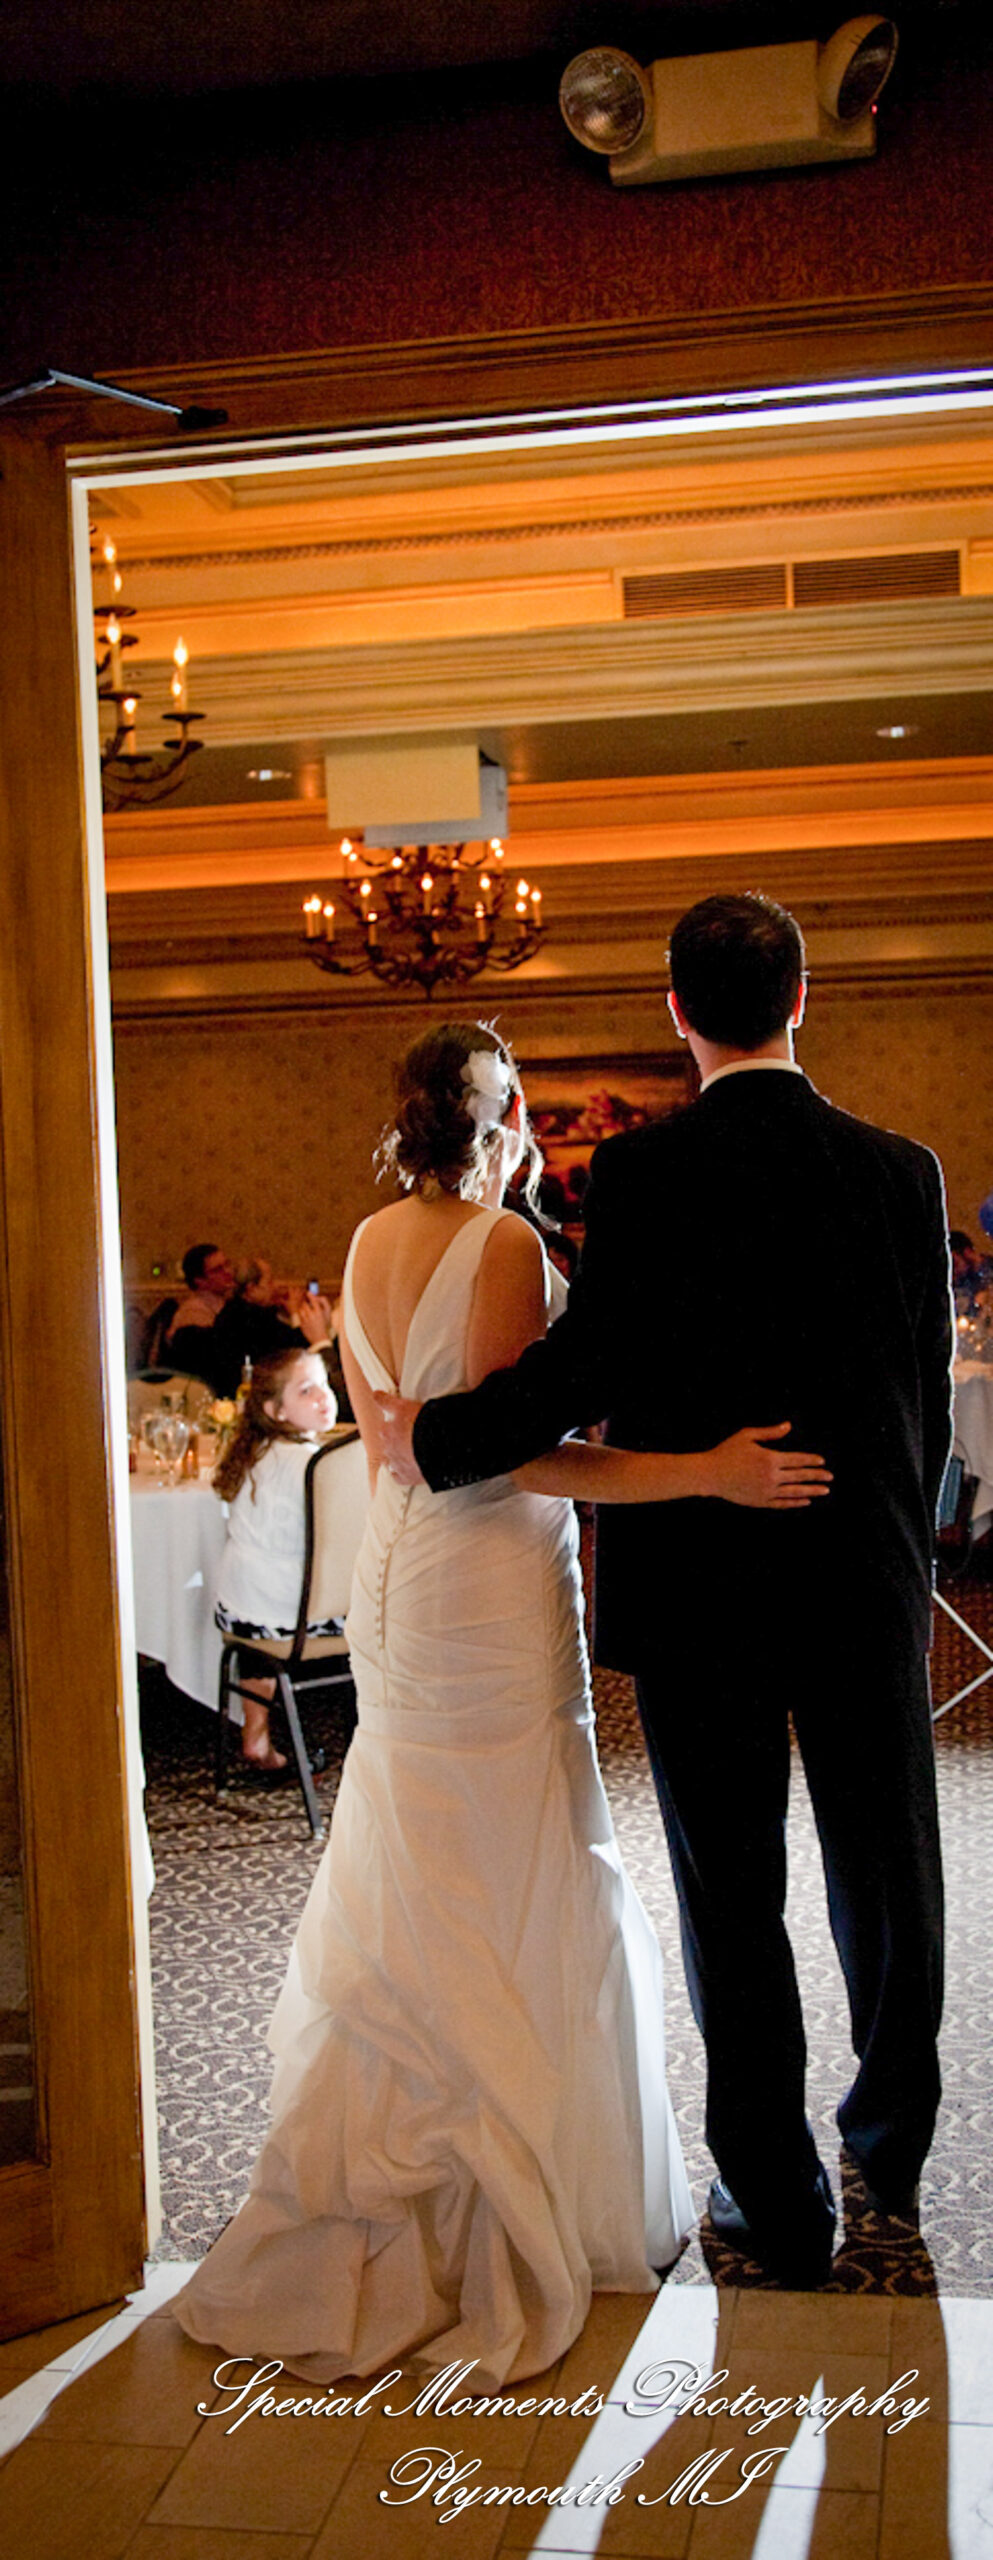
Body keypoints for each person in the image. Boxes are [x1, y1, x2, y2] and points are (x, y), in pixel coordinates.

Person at [174, 1021, 830, 2382]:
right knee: (520, 1846)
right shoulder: (509, 1250)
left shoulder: (360, 1246)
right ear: (510, 1110)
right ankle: (524, 2189)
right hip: (484, 1586)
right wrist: (702, 1470)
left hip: (400, 1583)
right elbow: (517, 1462)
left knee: (422, 1848)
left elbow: (406, 1448)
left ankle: (388, 2164)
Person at [379, 898, 954, 2291]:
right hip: (861, 1573)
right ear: (801, 996)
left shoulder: (638, 1179)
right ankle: (888, 2150)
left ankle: (773, 2192)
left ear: (675, 1011)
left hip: (701, 1590)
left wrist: (438, 1440)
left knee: (731, 1894)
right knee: (891, 1878)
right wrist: (893, 1546)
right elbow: (923, 1394)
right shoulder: (901, 1170)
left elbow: (582, 1372)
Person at [212, 1346, 339, 1770]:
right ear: (276, 1410)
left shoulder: (256, 1452)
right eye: (307, 1391)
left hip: (240, 1610)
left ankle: (257, 1735)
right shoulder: (315, 1463)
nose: (324, 1398)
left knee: (266, 1585)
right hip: (296, 1617)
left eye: (323, 1385)